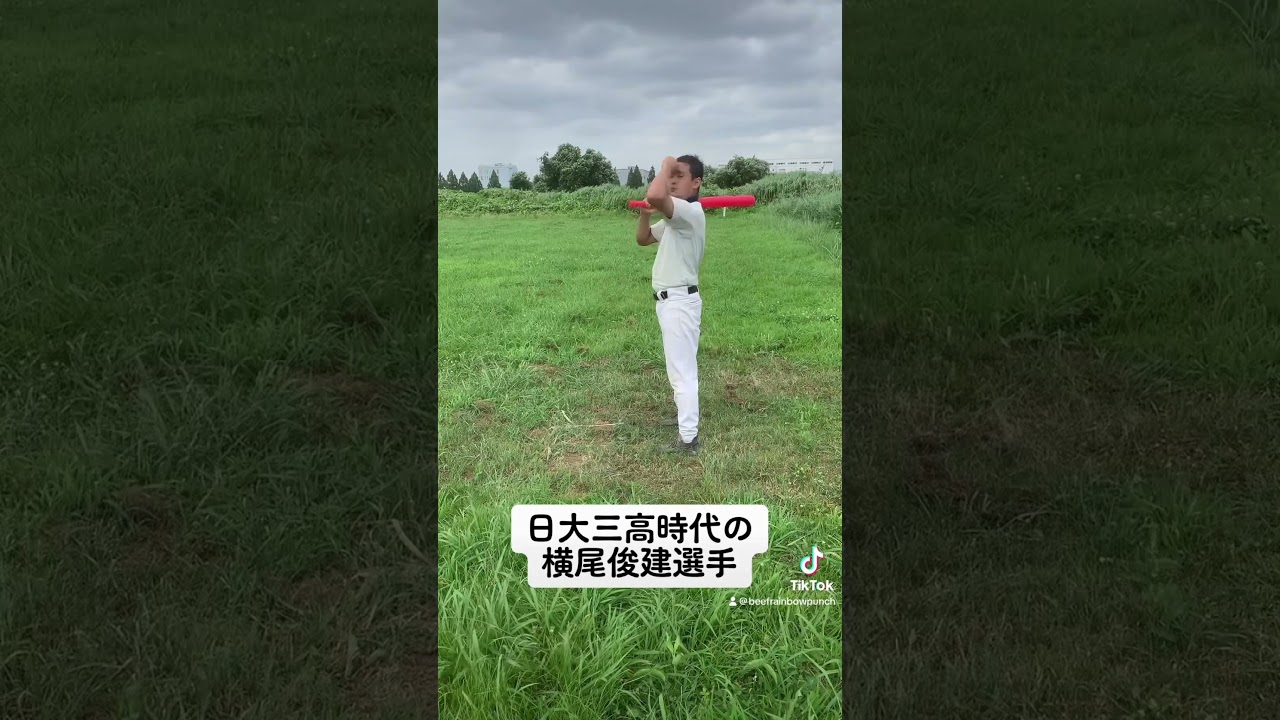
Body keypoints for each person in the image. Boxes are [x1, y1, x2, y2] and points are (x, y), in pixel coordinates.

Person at [635, 155, 706, 455]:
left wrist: (665, 165)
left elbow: (655, 194)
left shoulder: (689, 213)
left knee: (682, 372)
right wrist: (645, 214)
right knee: (677, 368)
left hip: (679, 302)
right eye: (671, 175)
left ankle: (689, 439)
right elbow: (643, 239)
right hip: (671, 301)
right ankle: (684, 420)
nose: (673, 181)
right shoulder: (675, 219)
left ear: (696, 183)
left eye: (679, 175)